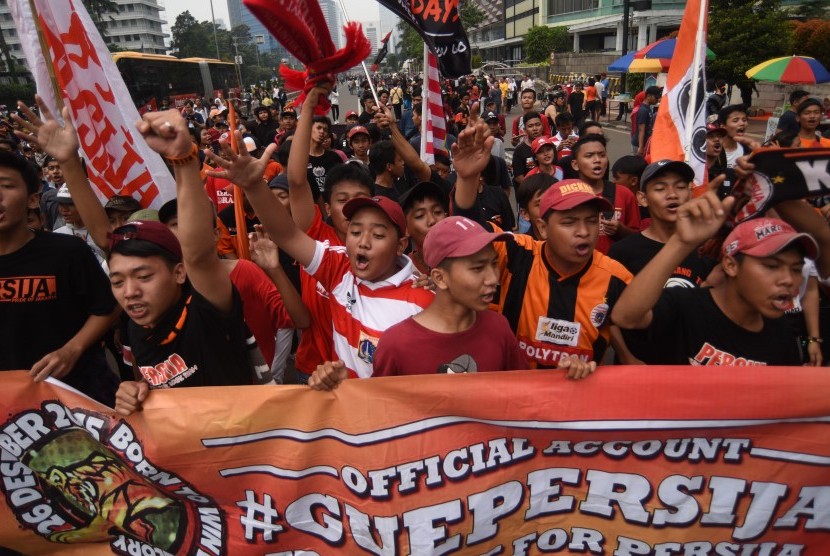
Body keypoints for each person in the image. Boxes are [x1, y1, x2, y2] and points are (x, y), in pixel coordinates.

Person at [612, 181, 830, 366]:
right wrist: (681, 242)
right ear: (731, 265)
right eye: (772, 266)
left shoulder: (781, 335)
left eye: (795, 269)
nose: (788, 280)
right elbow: (626, 317)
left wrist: (773, 183)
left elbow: (823, 237)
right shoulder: (686, 306)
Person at [0, 147, 119, 406]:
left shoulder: (67, 252)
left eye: (6, 186)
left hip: (74, 394)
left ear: (33, 199)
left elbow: (107, 308)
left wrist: (72, 349)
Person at [569, 134, 639, 253]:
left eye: (602, 155)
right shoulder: (567, 195)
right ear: (575, 165)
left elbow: (637, 239)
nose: (597, 160)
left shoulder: (624, 194)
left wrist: (621, 230)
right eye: (589, 156)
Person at [511, 111, 546, 187]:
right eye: (530, 126)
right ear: (525, 129)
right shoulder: (519, 151)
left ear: (542, 126)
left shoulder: (549, 146)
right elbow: (518, 177)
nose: (535, 129)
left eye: (538, 125)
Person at [633, 86, 661, 156]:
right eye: (656, 97)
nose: (657, 100)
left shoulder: (648, 108)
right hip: (639, 144)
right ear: (648, 96)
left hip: (644, 143)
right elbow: (641, 129)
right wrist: (641, 147)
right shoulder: (643, 110)